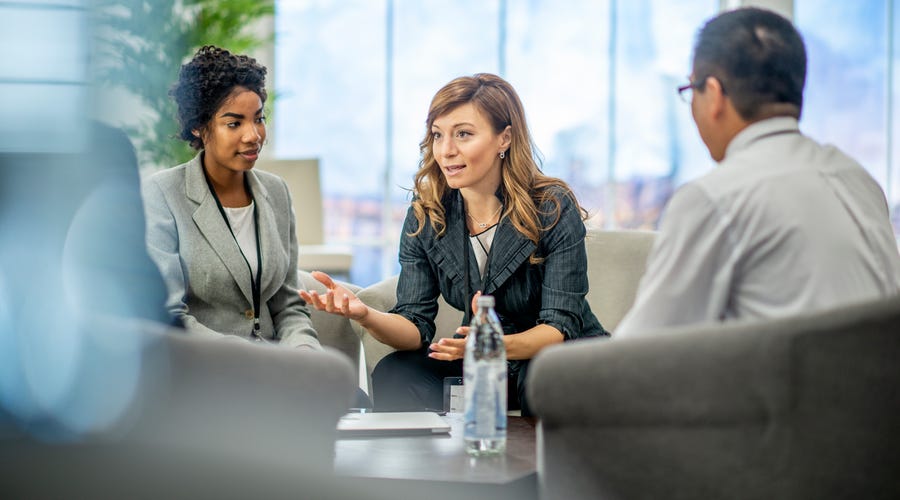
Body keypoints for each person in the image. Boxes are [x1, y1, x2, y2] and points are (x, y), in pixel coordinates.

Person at [302, 73, 607, 416]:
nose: (446, 150)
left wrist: (486, 347)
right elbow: (415, 326)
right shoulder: (427, 213)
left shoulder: (551, 205)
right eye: (437, 135)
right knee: (397, 374)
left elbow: (559, 328)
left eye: (463, 134)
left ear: (504, 138)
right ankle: (439, 469)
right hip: (483, 363)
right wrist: (365, 314)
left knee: (542, 380)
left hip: (554, 359)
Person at [615, 8, 900, 338]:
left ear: (715, 94)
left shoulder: (715, 199)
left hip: (791, 388)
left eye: (690, 90)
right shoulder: (858, 179)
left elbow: (640, 353)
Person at [143, 45, 319, 348]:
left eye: (259, 119)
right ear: (199, 127)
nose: (253, 135)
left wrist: (306, 356)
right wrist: (250, 361)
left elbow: (289, 307)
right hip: (207, 369)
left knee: (348, 395)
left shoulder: (276, 191)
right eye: (234, 123)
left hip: (277, 367)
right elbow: (170, 315)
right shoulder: (162, 194)